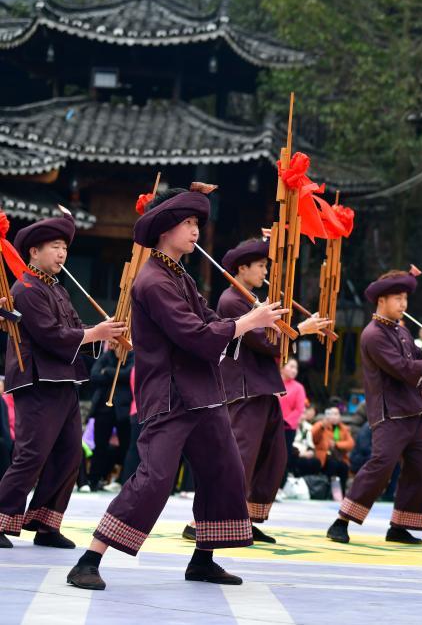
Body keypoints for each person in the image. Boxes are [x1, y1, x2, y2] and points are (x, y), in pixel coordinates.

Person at [66, 185, 287, 590]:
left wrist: (254, 317)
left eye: (197, 223)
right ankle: (88, 559)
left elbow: (205, 317)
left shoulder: (178, 274)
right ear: (166, 227)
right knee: (154, 478)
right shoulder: (152, 280)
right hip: (169, 395)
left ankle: (203, 559)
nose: (195, 231)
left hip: (202, 391)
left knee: (225, 470)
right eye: (187, 222)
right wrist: (246, 323)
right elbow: (196, 335)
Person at [0, 211, 128, 550]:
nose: (61, 254)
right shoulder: (26, 288)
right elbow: (52, 336)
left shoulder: (56, 289)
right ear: (33, 252)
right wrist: (94, 332)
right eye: (55, 247)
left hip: (63, 380)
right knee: (32, 454)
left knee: (70, 453)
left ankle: (45, 521)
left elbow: (73, 329)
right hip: (38, 381)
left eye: (64, 249)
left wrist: (105, 337)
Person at [190, 238, 330, 544]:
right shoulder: (231, 300)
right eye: (262, 265)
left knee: (273, 457)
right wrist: (299, 330)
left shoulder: (251, 299)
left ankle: (247, 518)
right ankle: (203, 519)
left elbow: (271, 337)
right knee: (241, 456)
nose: (266, 271)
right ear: (242, 268)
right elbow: (263, 341)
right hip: (243, 387)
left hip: (262, 386)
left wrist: (292, 326)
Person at [325, 269, 422, 544]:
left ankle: (400, 526)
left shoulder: (401, 330)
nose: (403, 304)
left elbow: (418, 356)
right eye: (398, 299)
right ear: (381, 301)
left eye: (405, 299)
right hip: (391, 412)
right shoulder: (373, 334)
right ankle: (341, 521)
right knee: (381, 465)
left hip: (414, 410)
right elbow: (402, 369)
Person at [87, 347, 134, 493]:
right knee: (99, 445)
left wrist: (107, 371)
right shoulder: (107, 355)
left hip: (123, 409)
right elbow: (94, 375)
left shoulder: (132, 355)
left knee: (126, 446)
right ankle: (94, 480)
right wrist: (116, 375)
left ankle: (124, 480)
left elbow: (128, 375)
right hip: (103, 409)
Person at [311, 406, 354, 489]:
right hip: (324, 457)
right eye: (331, 414)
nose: (334, 417)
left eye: (336, 414)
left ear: (340, 416)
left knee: (344, 466)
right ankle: (326, 490)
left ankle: (341, 492)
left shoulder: (343, 428)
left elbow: (351, 444)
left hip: (338, 458)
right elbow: (313, 435)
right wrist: (322, 425)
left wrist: (336, 444)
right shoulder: (321, 425)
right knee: (332, 465)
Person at [279, 357, 308, 477]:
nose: (294, 370)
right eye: (291, 366)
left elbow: (299, 409)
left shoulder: (298, 387)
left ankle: (280, 486)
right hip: (270, 425)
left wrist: (285, 421)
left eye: (296, 368)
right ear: (282, 367)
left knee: (282, 457)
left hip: (287, 428)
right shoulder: (273, 383)